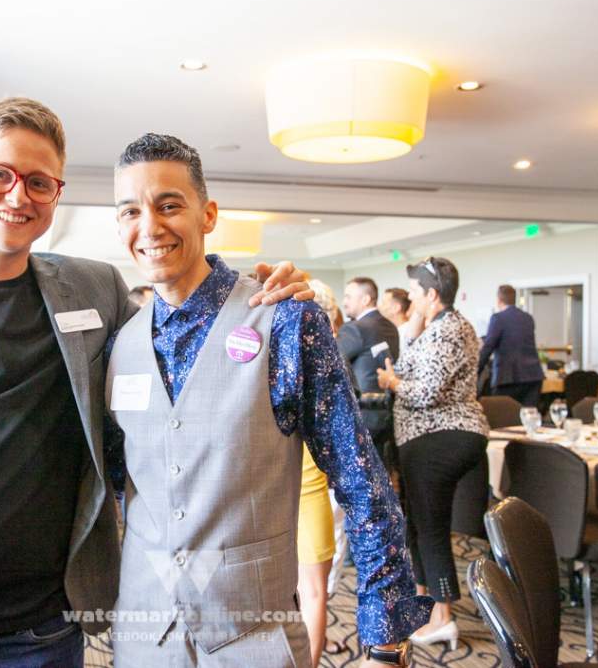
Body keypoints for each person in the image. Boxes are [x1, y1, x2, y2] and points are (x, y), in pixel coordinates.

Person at [0, 98, 310, 668]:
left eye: (39, 183)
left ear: (55, 195)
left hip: (44, 628)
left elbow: (180, 340)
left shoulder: (95, 290)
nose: (18, 196)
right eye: (0, 175)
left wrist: (260, 293)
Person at [105, 133, 429, 667]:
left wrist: (384, 645)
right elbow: (118, 482)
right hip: (144, 634)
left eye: (169, 205)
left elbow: (361, 482)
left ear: (208, 215)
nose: (150, 226)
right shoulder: (121, 343)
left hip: (253, 636)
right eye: (130, 211)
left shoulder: (285, 319)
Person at [376, 256, 489, 651]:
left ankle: (443, 618)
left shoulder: (450, 330)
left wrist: (392, 381)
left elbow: (425, 392)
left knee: (431, 526)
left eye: (415, 292)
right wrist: (411, 333)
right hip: (426, 437)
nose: (410, 298)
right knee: (419, 525)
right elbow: (412, 368)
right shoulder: (434, 327)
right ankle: (427, 607)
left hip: (441, 436)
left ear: (433, 294)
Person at [297, 279, 339, 664]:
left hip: (311, 491)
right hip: (307, 492)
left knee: (311, 592)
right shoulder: (330, 365)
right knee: (311, 591)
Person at [338, 277, 400, 468]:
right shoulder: (390, 327)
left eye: (348, 296)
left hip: (361, 414)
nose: (344, 301)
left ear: (365, 299)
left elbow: (330, 363)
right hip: (387, 413)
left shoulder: (355, 329)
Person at [478, 284, 544, 407]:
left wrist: (474, 371)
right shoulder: (528, 318)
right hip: (533, 377)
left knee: (503, 415)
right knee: (528, 415)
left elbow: (488, 348)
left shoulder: (498, 318)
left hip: (508, 378)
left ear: (499, 300)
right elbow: (514, 337)